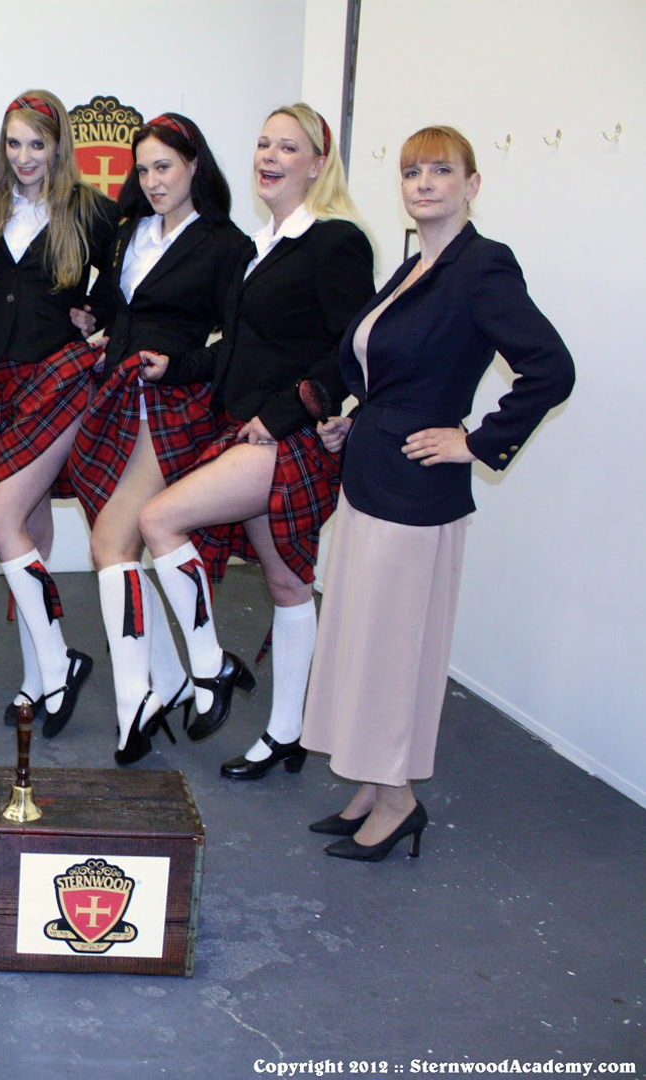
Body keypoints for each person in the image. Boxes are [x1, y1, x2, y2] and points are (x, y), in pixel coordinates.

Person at [302, 126, 573, 860]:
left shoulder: (482, 267)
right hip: (370, 477)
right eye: (411, 171)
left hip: (416, 493)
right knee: (359, 636)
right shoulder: (415, 264)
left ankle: (398, 802)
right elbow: (389, 368)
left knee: (392, 651)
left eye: (441, 171)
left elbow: (550, 369)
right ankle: (368, 781)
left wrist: (476, 441)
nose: (423, 184)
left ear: (471, 185)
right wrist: (350, 421)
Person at [137, 103, 373, 777]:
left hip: (281, 441)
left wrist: (288, 411)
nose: (268, 157)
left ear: (317, 164)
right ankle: (285, 732)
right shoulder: (262, 243)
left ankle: (210, 667)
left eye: (287, 148)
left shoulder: (334, 241)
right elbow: (235, 350)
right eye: (263, 145)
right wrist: (175, 366)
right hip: (247, 428)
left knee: (158, 519)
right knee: (286, 583)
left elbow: (350, 349)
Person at [64, 112, 252, 765]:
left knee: (111, 540)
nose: (151, 180)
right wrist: (94, 317)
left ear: (194, 163)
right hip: (116, 398)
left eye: (163, 166)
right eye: (142, 169)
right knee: (114, 543)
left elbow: (236, 342)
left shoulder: (226, 245)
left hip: (171, 403)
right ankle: (165, 684)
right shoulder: (128, 233)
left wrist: (183, 367)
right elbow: (120, 309)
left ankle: (150, 692)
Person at [0, 89, 119, 738]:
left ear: (58, 143)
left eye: (36, 143)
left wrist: (102, 324)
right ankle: (37, 679)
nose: (24, 156)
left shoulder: (92, 210)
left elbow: (135, 286)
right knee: (26, 522)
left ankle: (58, 666)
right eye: (13, 143)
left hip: (60, 379)